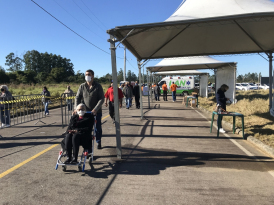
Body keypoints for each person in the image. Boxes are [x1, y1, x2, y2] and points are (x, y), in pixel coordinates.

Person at [75, 69, 104, 149]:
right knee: (87, 129)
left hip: (96, 112)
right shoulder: (82, 86)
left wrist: (95, 109)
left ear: (92, 76)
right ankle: (88, 146)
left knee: (97, 128)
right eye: (86, 74)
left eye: (89, 74)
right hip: (85, 112)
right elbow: (77, 97)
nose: (87, 76)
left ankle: (98, 141)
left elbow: (101, 98)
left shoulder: (98, 86)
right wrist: (76, 108)